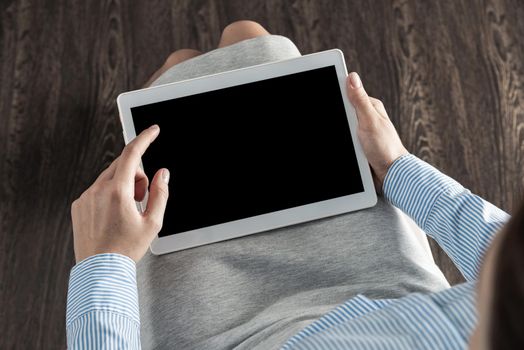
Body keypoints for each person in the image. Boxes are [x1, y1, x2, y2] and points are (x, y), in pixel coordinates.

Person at [66, 21, 519, 349]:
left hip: (224, 333)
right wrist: (396, 167)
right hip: (385, 287)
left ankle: (166, 80)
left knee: (186, 65)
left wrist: (103, 262)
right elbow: (506, 256)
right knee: (248, 37)